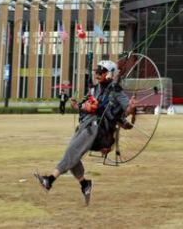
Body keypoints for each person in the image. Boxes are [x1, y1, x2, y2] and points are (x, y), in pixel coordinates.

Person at [34, 59, 130, 205]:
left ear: (109, 74)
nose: (97, 75)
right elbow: (92, 107)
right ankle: (85, 184)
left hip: (99, 131)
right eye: (96, 72)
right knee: (72, 153)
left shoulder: (116, 91)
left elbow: (127, 108)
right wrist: (77, 106)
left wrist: (132, 107)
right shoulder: (99, 89)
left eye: (100, 72)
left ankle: (49, 180)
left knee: (73, 150)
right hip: (87, 124)